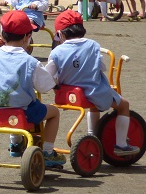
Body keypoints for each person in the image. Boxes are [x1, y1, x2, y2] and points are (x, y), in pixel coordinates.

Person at [46, 10, 140, 156]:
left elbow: (49, 76)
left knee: (94, 105)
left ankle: (93, 136)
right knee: (123, 105)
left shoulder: (56, 52)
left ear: (61, 34)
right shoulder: (93, 45)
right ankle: (121, 144)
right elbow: (100, 67)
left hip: (66, 94)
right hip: (92, 92)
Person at [0, 10, 64, 167]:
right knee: (53, 113)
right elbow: (44, 87)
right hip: (24, 113)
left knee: (10, 100)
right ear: (27, 37)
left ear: (2, 35)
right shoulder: (30, 62)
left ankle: (16, 143)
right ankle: (48, 152)